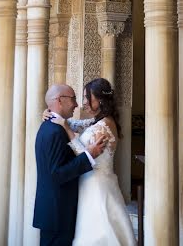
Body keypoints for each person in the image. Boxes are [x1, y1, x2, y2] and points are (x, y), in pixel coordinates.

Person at [44, 78, 136, 245]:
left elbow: (85, 155)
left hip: (96, 186)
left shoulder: (103, 127)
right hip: (93, 182)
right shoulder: (98, 122)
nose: (83, 102)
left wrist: (67, 130)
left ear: (99, 100)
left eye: (87, 97)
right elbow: (73, 123)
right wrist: (49, 112)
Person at [33, 83, 108, 246]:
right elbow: (57, 174)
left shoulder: (53, 126)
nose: (77, 104)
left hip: (57, 211)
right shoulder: (54, 132)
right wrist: (90, 155)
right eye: (73, 98)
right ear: (60, 100)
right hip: (57, 213)